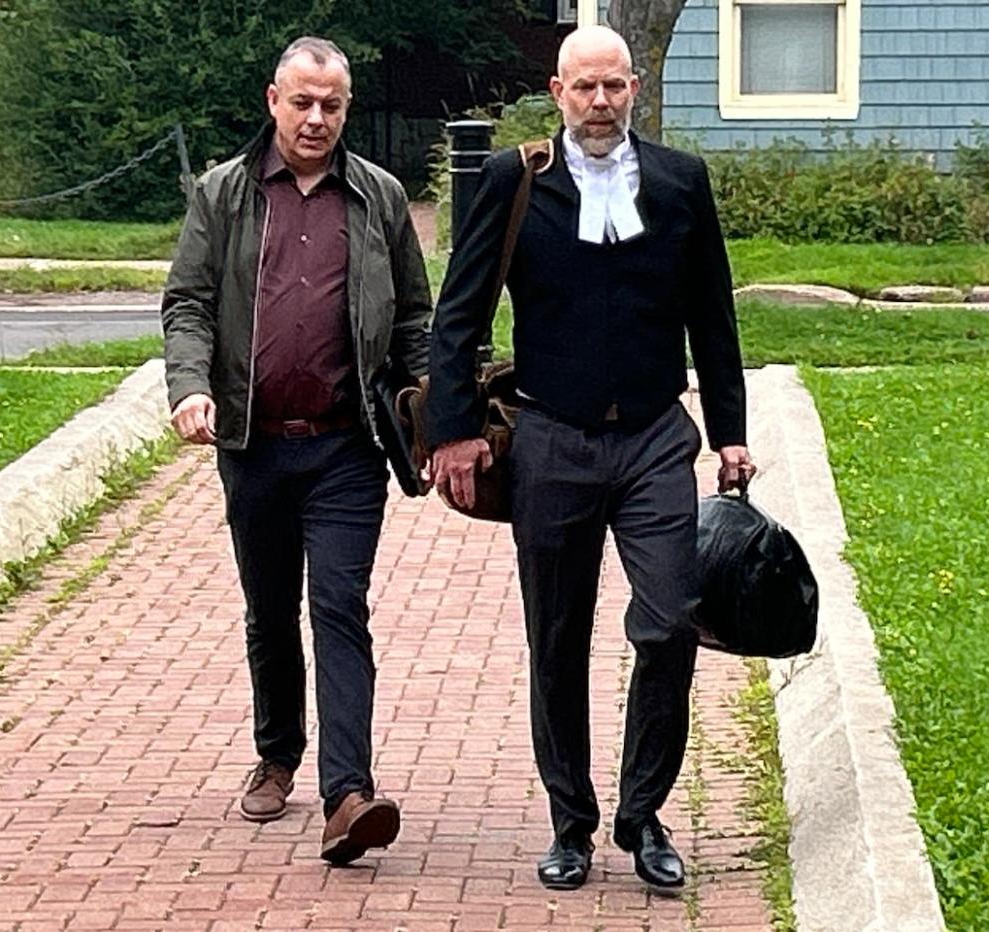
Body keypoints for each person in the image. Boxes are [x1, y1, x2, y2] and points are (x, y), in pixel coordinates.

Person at [427, 25, 755, 891]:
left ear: (635, 89)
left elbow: (713, 316)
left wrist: (730, 430)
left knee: (670, 617)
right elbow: (458, 315)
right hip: (551, 439)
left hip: (653, 438)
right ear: (558, 90)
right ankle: (570, 821)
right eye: (584, 88)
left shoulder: (682, 182)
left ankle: (642, 815)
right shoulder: (515, 181)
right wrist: (453, 429)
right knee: (557, 635)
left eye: (613, 87)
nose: (599, 102)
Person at [161, 36, 431, 866]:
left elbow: (417, 321)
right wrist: (190, 386)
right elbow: (189, 303)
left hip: (347, 448)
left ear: (346, 110)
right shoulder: (224, 194)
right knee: (271, 612)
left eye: (333, 106)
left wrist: (436, 415)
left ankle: (347, 794)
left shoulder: (380, 198)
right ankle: (278, 754)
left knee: (339, 609)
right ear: (274, 100)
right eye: (303, 102)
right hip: (252, 445)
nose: (317, 119)